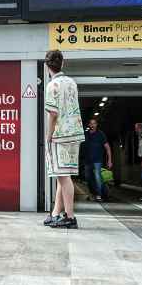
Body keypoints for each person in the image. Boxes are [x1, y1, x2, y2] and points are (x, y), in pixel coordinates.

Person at [43, 50, 85, 229]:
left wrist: (48, 135)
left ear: (47, 67)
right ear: (62, 64)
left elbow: (53, 114)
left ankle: (70, 217)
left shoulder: (52, 86)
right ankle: (55, 214)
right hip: (75, 134)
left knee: (63, 177)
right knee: (63, 175)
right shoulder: (72, 83)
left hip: (60, 135)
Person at [83, 118, 113, 201]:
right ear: (89, 125)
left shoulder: (101, 134)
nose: (92, 125)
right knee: (88, 178)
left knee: (97, 177)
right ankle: (96, 192)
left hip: (98, 160)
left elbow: (107, 147)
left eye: (94, 123)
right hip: (87, 161)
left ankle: (99, 195)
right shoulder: (85, 134)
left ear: (97, 124)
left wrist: (109, 160)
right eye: (91, 123)